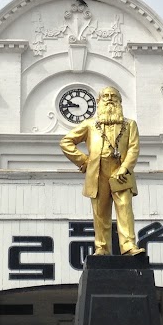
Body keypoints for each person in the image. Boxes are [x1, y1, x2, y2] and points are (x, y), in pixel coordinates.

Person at [60, 86, 145, 256]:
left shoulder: (129, 125)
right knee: (100, 212)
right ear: (99, 101)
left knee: (125, 209)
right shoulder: (90, 124)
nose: (109, 99)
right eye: (105, 96)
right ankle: (102, 248)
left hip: (121, 173)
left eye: (114, 96)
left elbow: (134, 149)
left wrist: (124, 168)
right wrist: (84, 162)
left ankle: (128, 245)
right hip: (98, 172)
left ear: (120, 102)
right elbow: (66, 142)